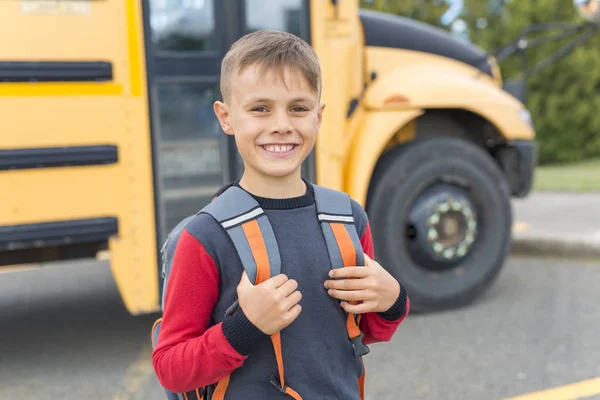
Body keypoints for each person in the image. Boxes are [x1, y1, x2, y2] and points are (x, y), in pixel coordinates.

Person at [151, 29, 410, 399]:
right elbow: (171, 369)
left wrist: (394, 299)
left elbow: (368, 329)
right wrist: (245, 328)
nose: (281, 125)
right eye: (260, 108)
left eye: (298, 108)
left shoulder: (348, 219)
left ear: (319, 117)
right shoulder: (204, 237)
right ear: (226, 117)